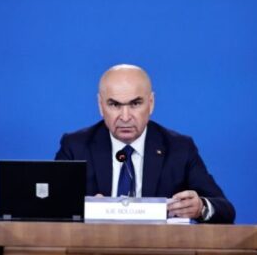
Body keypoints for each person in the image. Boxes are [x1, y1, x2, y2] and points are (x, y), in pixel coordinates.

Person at [55, 64, 235, 224]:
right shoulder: (75, 147)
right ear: (101, 106)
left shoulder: (179, 148)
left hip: (158, 249)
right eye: (115, 105)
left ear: (151, 103)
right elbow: (51, 209)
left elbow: (225, 209)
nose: (125, 117)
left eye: (135, 104)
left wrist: (200, 207)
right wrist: (85, 209)